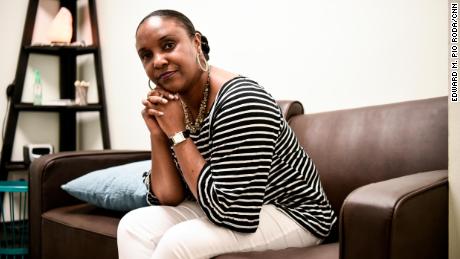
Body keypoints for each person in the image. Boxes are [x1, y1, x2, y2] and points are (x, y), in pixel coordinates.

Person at [117, 9, 336, 259]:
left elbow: (232, 212)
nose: (157, 61)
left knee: (179, 242)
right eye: (146, 55)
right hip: (223, 204)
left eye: (168, 45)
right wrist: (158, 132)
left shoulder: (241, 99)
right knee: (134, 227)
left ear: (196, 42)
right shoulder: (175, 106)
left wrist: (178, 134)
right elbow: (168, 196)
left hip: (292, 212)